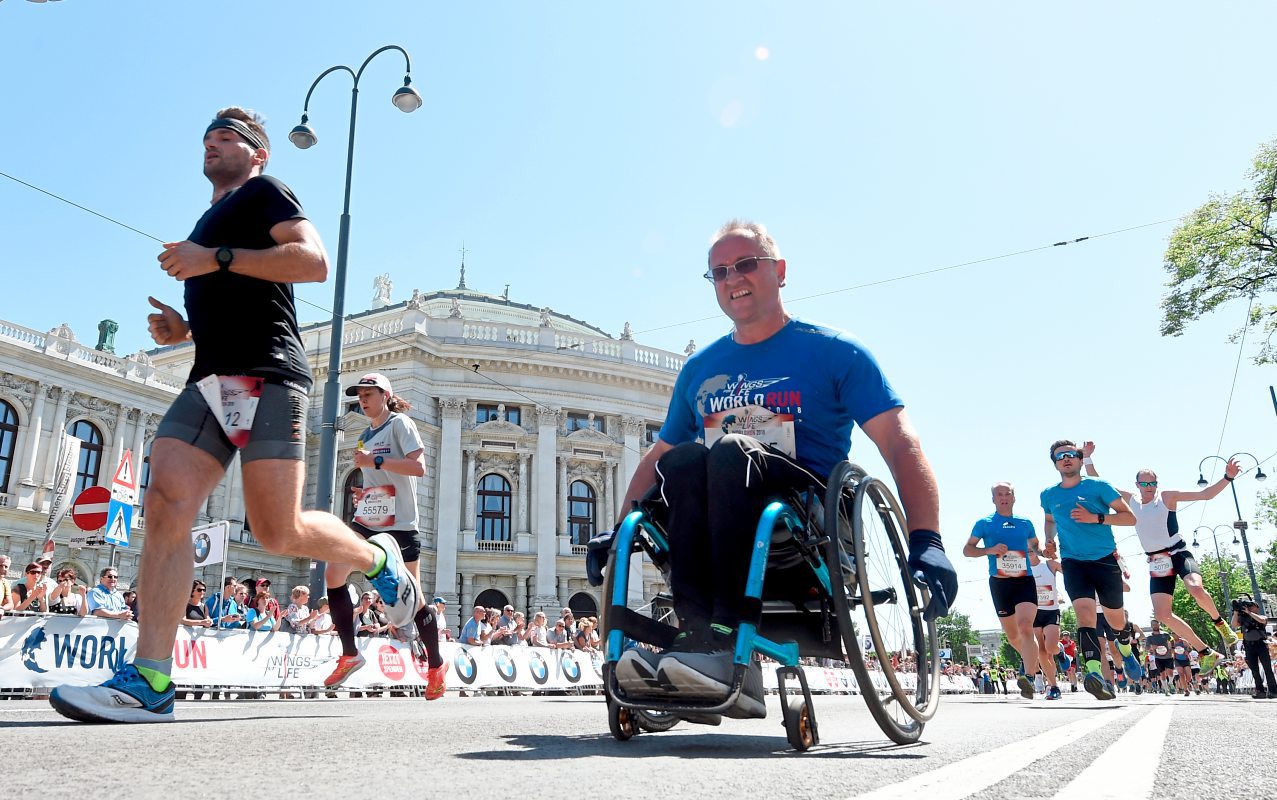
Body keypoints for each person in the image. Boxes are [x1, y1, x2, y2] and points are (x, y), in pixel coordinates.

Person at [49, 107, 420, 725]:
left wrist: (212, 258)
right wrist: (185, 330)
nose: (214, 144)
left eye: (230, 137)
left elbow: (311, 262)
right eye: (208, 138)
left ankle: (378, 560)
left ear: (259, 155)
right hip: (210, 379)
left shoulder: (264, 194)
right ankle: (150, 679)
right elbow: (238, 306)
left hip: (270, 374)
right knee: (165, 503)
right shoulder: (208, 219)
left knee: (277, 533)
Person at [607, 220, 955, 720]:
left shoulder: (835, 351)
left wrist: (928, 537)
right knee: (683, 460)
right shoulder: (699, 368)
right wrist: (620, 532)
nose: (733, 278)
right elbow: (659, 453)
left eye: (746, 264)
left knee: (727, 451)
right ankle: (697, 638)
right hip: (716, 507)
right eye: (719, 271)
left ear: (780, 272)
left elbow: (899, 441)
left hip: (805, 514)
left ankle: (725, 644)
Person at [320, 373, 445, 699]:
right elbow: (380, 478)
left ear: (385, 395)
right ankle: (350, 653)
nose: (362, 399)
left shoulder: (400, 423)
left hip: (400, 523)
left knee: (414, 599)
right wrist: (365, 490)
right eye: (359, 394)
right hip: (369, 518)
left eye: (368, 393)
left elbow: (418, 468)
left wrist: (374, 460)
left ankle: (435, 666)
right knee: (334, 572)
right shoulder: (363, 435)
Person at [1082, 442, 1236, 667]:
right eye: (1145, 483)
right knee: (1163, 615)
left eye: (1153, 483)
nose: (1149, 487)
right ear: (1137, 484)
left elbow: (1205, 494)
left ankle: (1220, 623)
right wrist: (1087, 458)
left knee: (1194, 587)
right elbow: (1101, 485)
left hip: (1178, 553)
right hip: (1156, 561)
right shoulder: (1131, 500)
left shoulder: (1166, 497)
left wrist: (1227, 477)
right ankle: (1206, 652)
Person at [1040, 440, 1141, 701]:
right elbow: (1050, 520)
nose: (1066, 459)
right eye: (1060, 456)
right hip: (1073, 562)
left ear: (1079, 458)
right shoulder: (1049, 494)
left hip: (1104, 560)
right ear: (1055, 463)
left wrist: (1097, 518)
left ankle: (1126, 648)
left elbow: (1130, 517)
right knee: (1086, 618)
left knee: (1116, 622)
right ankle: (1094, 673)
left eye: (1071, 454)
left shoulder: (1098, 487)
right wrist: (1049, 542)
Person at [965, 481, 1040, 699]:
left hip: (1024, 580)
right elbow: (967, 550)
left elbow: (1036, 546)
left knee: (1027, 627)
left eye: (1008, 494)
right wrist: (990, 550)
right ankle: (1028, 660)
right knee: (1013, 637)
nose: (1004, 497)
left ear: (1014, 497)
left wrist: (1041, 550)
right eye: (999, 494)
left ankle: (1028, 676)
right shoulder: (984, 523)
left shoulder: (1025, 523)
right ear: (994, 499)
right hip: (999, 583)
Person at [1028, 550, 1063, 700]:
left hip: (1051, 611)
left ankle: (1059, 650)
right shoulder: (1022, 569)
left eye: (1031, 549)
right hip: (1033, 613)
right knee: (1040, 651)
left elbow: (1072, 572)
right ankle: (1053, 686)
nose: (1028, 551)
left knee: (1050, 648)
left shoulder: (1049, 564)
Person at [1233, 597, 1276, 699]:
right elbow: (1234, 625)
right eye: (1248, 606)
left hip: (1260, 644)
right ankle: (1260, 691)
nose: (1249, 608)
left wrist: (1250, 613)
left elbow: (1262, 620)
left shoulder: (1262, 616)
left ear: (1256, 607)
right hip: (1249, 645)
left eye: (1251, 606)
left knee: (1267, 668)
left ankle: (1273, 691)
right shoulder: (1243, 618)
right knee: (1254, 669)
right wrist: (1235, 612)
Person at [1145, 619, 1175, 693]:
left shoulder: (1165, 634)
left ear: (1159, 624)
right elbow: (1146, 648)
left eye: (1156, 624)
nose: (1155, 625)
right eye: (1153, 624)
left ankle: (1170, 683)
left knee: (1170, 672)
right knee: (1162, 674)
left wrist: (1172, 648)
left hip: (1168, 656)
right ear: (1151, 626)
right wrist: (1152, 647)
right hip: (1158, 657)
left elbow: (1172, 639)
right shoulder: (1149, 637)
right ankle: (1166, 689)